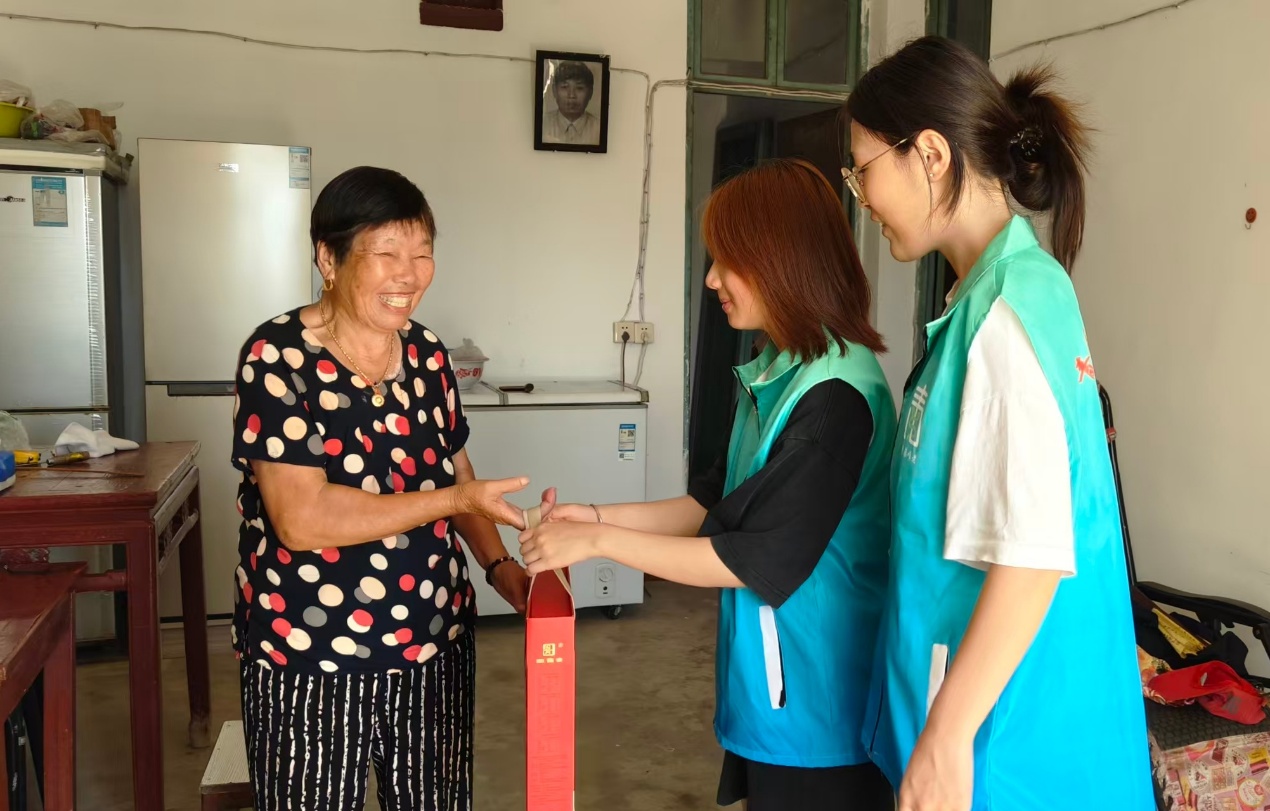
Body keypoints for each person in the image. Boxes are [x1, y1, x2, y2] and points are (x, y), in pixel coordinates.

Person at [520, 158, 898, 810]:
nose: (712, 279)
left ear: (781, 259)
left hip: (819, 706)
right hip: (775, 689)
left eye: (728, 260)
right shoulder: (780, 368)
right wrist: (593, 517)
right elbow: (710, 505)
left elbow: (752, 558)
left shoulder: (834, 399)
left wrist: (598, 544)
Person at [842, 36, 1154, 811]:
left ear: (930, 154)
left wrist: (945, 738)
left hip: (1008, 755)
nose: (860, 194)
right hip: (998, 737)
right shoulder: (998, 296)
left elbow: (1030, 558)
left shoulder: (1008, 311)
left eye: (862, 168)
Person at [230, 165, 534, 811]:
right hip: (309, 653)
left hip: (433, 640)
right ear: (328, 258)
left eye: (422, 253)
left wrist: (498, 565)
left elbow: (457, 472)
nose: (409, 274)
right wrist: (454, 501)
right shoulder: (276, 357)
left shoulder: (426, 354)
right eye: (387, 252)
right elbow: (302, 519)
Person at [541, 60, 601, 145]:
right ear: (554, 90)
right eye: (564, 87)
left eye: (579, 88)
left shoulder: (599, 129)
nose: (572, 95)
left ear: (590, 93)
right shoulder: (543, 125)